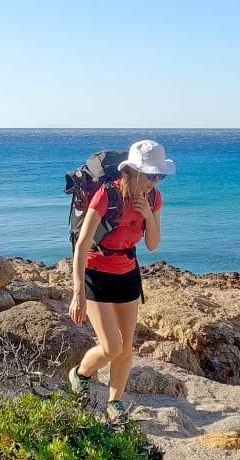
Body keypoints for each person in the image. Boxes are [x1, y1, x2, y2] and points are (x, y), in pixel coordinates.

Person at [67, 139, 176, 422]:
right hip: (96, 274)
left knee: (126, 348)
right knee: (112, 347)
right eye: (151, 175)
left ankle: (114, 403)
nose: (155, 181)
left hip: (127, 274)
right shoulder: (107, 195)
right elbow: (82, 245)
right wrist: (78, 294)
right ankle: (81, 374)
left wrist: (147, 214)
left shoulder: (154, 198)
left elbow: (152, 244)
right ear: (132, 171)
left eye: (159, 176)